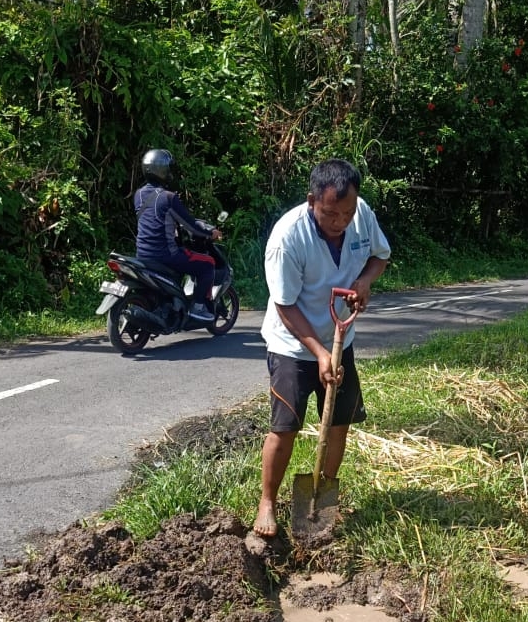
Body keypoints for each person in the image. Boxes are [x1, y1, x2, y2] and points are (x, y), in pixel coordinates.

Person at [253, 157, 391, 538]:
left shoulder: (361, 214)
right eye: (332, 213)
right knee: (286, 426)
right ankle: (267, 501)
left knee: (338, 422)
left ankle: (324, 491)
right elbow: (284, 304)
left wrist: (364, 282)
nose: (341, 222)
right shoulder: (287, 238)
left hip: (339, 338)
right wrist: (318, 352)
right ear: (312, 199)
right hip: (292, 346)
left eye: (347, 213)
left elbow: (381, 256)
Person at [134, 148, 221, 322]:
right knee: (208, 264)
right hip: (166, 254)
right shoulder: (168, 197)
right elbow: (191, 225)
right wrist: (210, 233)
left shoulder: (139, 194)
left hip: (142, 255)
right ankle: (198, 306)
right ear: (163, 171)